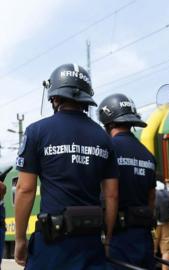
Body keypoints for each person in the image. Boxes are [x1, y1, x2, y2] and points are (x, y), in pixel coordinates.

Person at [14, 63, 119, 269]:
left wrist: (20, 240)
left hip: (52, 245)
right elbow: (112, 195)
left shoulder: (37, 131)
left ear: (54, 97)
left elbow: (24, 189)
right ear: (86, 98)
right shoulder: (104, 137)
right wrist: (107, 239)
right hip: (90, 243)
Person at [98, 93, 156, 269]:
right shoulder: (148, 155)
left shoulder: (108, 149)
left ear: (108, 123)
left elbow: (111, 195)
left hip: (118, 237)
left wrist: (106, 238)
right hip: (144, 236)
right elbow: (151, 199)